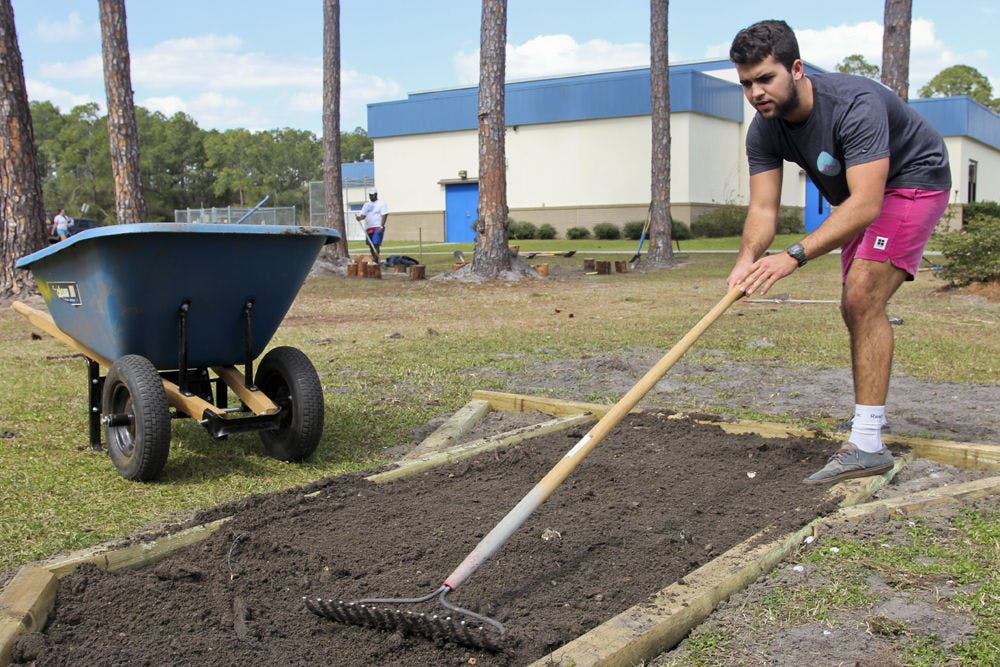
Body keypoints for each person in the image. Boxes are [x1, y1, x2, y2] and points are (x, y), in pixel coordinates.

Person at [726, 20, 951, 485]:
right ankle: (869, 420)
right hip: (857, 198)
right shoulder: (765, 129)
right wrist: (746, 259)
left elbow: (868, 203)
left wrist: (792, 256)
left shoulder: (853, 104)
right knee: (855, 305)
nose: (756, 93)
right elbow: (764, 208)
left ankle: (867, 444)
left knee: (862, 297)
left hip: (912, 181)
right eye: (747, 83)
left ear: (797, 68)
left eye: (766, 78)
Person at [355, 187, 389, 259]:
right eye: (370, 195)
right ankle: (374, 259)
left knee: (375, 244)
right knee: (371, 245)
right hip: (369, 227)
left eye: (373, 195)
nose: (371, 196)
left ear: (376, 194)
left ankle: (377, 260)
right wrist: (359, 218)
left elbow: (384, 215)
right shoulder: (366, 205)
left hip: (377, 227)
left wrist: (381, 226)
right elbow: (363, 215)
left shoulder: (381, 204)